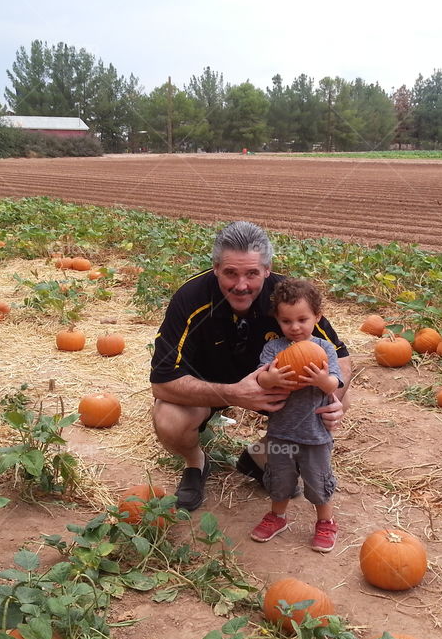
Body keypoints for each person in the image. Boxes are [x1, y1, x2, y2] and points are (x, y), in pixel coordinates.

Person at [149, 221, 351, 511]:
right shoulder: (191, 298)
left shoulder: (287, 299)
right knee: (169, 418)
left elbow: (341, 357)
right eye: (230, 273)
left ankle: (259, 455)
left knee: (338, 394)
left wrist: (335, 400)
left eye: (252, 273)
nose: (241, 285)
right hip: (209, 386)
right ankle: (196, 463)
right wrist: (233, 394)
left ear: (267, 270)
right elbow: (162, 380)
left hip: (276, 387)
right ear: (216, 267)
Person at [249, 278, 342, 552]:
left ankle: (325, 521)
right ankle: (277, 516)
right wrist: (271, 377)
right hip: (280, 431)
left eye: (303, 319)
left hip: (315, 434)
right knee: (280, 479)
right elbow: (260, 380)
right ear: (277, 320)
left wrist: (321, 380)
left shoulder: (324, 350)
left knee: (317, 480)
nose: (295, 327)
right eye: (287, 321)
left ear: (317, 317)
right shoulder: (274, 350)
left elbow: (335, 383)